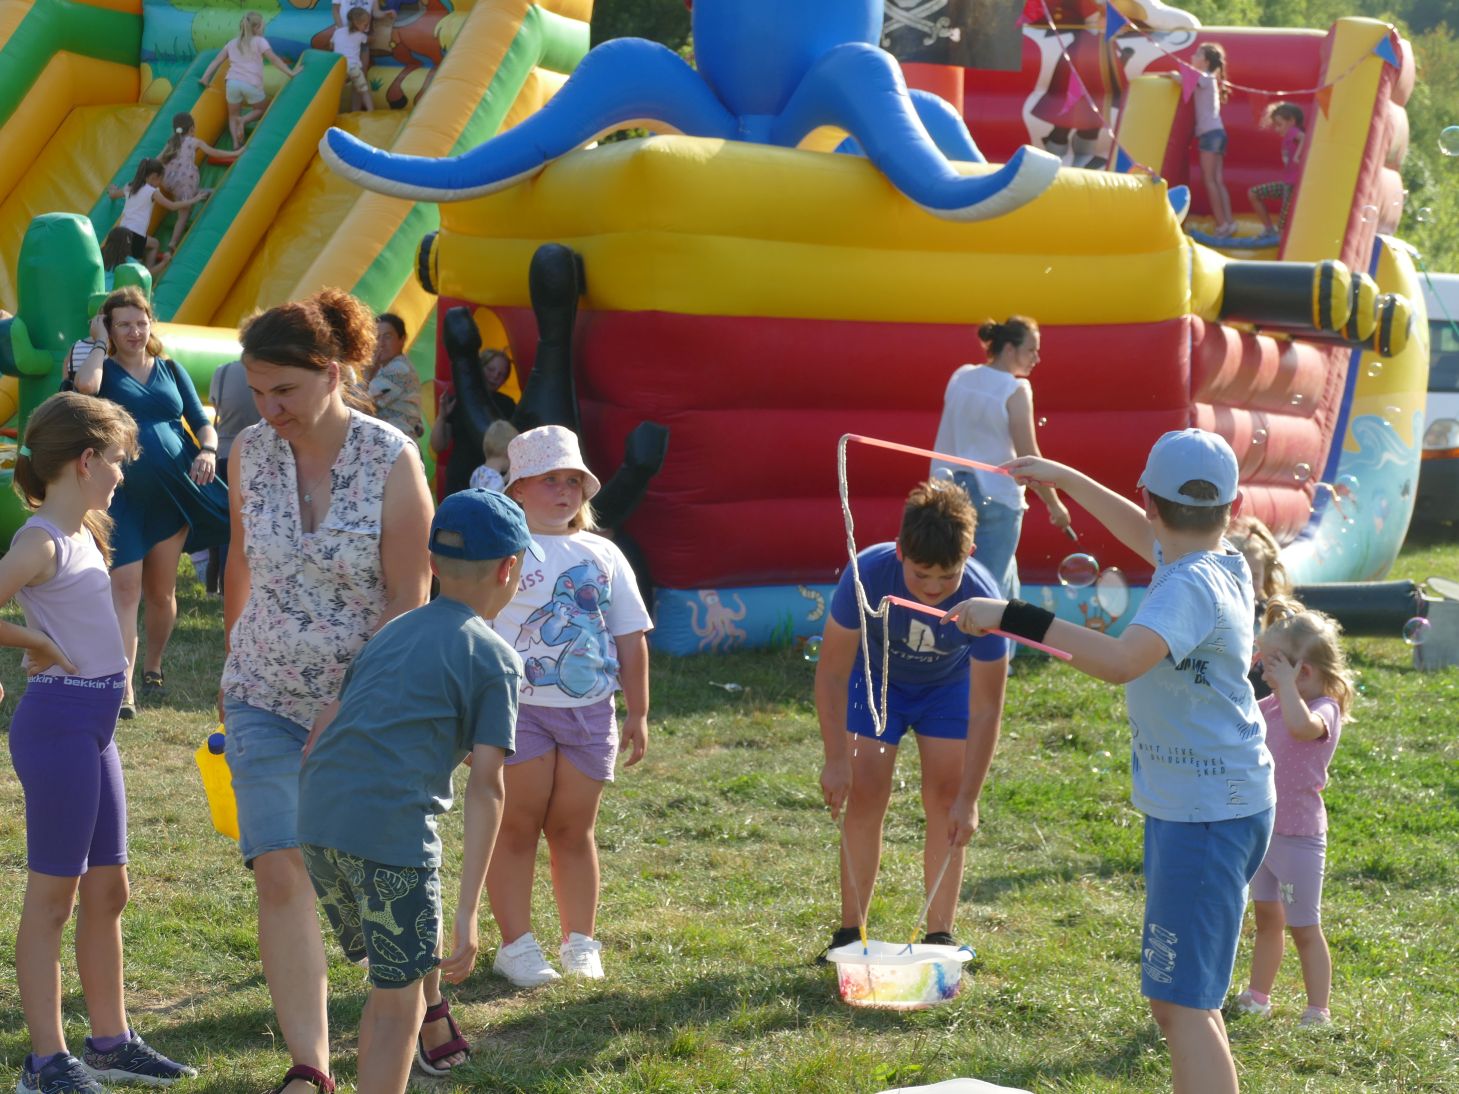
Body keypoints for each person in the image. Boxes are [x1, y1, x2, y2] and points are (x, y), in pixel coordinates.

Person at [944, 428, 1275, 1094]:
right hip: (1210, 805)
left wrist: (1010, 614)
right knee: (1180, 1001)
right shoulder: (1222, 559)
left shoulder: (1188, 586)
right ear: (1231, 506)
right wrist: (1064, 477)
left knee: (1183, 1006)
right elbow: (1150, 532)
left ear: (1149, 498)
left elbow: (1123, 661)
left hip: (1205, 816)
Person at [219, 289, 452, 1093]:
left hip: (368, 699)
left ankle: (425, 997)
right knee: (280, 866)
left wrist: (346, 700)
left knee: (374, 869)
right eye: (257, 390)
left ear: (331, 372)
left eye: (283, 389)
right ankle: (310, 1069)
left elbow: (409, 595)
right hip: (262, 693)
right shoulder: (250, 452)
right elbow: (241, 559)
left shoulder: (390, 457)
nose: (268, 408)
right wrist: (233, 661)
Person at [299, 489, 541, 1085]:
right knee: (396, 1006)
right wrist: (467, 912)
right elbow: (487, 787)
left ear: (432, 563)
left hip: (318, 825)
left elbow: (338, 721)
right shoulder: (495, 658)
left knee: (393, 979)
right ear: (509, 569)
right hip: (390, 839)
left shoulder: (392, 630)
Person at [4, 393, 196, 1091]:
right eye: (117, 460)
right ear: (85, 460)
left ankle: (110, 1043)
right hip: (57, 725)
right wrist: (35, 643)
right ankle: (45, 1062)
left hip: (95, 728)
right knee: (53, 898)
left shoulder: (84, 528)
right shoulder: (40, 541)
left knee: (109, 889)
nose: (122, 473)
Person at [815, 479, 1010, 959]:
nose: (934, 588)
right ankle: (850, 934)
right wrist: (836, 759)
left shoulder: (985, 598)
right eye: (921, 574)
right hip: (876, 683)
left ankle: (939, 936)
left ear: (970, 554)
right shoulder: (867, 573)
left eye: (948, 576)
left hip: (947, 691)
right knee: (865, 791)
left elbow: (987, 708)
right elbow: (833, 673)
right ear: (901, 551)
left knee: (946, 800)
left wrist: (969, 799)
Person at [487, 425, 651, 985]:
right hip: (518, 710)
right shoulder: (501, 550)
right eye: (549, 479)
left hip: (591, 714)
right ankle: (516, 947)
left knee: (573, 830)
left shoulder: (604, 552)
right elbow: (473, 629)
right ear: (517, 489)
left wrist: (639, 711)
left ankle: (580, 942)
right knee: (517, 826)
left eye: (573, 481)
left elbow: (630, 634)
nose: (564, 491)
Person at [72, 287, 228, 718]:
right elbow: (84, 388)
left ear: (150, 325)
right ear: (108, 328)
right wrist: (99, 343)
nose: (134, 332)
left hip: (171, 494)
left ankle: (153, 667)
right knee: (125, 588)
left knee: (161, 592)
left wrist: (207, 450)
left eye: (140, 323)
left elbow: (201, 423)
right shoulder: (102, 370)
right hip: (119, 497)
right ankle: (123, 689)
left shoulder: (171, 369)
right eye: (123, 324)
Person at [1232, 596, 1353, 1028]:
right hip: (1265, 834)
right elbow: (1241, 719)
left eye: (1275, 665)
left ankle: (1318, 1009)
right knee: (1267, 919)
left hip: (1299, 839)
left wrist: (1283, 687)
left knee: (1304, 927)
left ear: (1305, 671)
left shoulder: (1323, 709)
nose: (1266, 673)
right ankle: (1258, 995)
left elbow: (1302, 729)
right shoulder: (1275, 703)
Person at [931, 316, 1072, 599]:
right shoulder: (1016, 389)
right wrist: (1055, 505)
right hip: (996, 498)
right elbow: (1028, 455)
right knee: (989, 594)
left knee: (993, 582)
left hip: (949, 493)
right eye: (1031, 350)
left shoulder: (961, 376)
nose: (1037, 358)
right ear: (1009, 349)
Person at [203, 358, 263, 593]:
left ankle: (214, 584)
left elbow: (216, 404)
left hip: (223, 452)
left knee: (223, 522)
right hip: (255, 454)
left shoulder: (223, 370)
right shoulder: (267, 372)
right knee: (241, 527)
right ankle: (231, 587)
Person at [200, 11, 299, 146]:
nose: (263, 29)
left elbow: (217, 60)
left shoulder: (232, 43)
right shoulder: (260, 41)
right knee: (262, 109)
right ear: (256, 28)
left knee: (233, 115)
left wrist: (205, 77)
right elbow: (274, 59)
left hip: (232, 83)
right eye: (262, 27)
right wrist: (290, 73)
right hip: (251, 83)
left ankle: (235, 144)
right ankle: (244, 120)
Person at [430, 347, 516, 495]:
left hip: (491, 482)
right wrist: (442, 416)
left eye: (501, 374)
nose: (495, 376)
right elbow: (438, 446)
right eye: (490, 369)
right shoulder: (460, 399)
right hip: (459, 478)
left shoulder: (508, 405)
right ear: (479, 368)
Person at [1227, 515, 1295, 700]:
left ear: (1264, 576)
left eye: (1254, 576)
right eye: (1236, 575)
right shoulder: (1215, 613)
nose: (1246, 583)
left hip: (1265, 698)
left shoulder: (1271, 615)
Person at [105, 159, 211, 273]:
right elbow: (172, 206)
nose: (160, 183)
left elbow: (113, 195)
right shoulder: (152, 191)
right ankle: (148, 275)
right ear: (154, 176)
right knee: (142, 261)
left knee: (153, 244)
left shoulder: (130, 187)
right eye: (160, 179)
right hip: (135, 236)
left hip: (120, 233)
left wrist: (112, 190)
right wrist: (194, 200)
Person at [158, 111, 241, 251]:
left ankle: (204, 194)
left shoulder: (171, 142)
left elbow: (158, 159)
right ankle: (172, 242)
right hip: (185, 181)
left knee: (185, 195)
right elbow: (215, 153)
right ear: (192, 129)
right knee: (184, 213)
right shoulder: (195, 142)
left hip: (168, 181)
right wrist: (236, 153)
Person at [1192, 43, 1235, 238]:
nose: (1193, 56)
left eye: (1197, 54)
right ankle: (1229, 222)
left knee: (1209, 180)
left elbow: (1180, 79)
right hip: (1218, 132)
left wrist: (1169, 74)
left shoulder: (1204, 76)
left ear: (1206, 62)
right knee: (1217, 180)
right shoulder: (1210, 78)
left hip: (1209, 134)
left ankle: (1221, 225)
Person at [1248, 103, 1305, 237]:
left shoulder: (1292, 131)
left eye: (1279, 124)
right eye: (1275, 125)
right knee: (1254, 193)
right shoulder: (1289, 136)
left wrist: (1297, 156)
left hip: (1293, 186)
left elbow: (1304, 137)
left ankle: (1277, 236)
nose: (1276, 129)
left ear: (1291, 121)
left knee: (1283, 227)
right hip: (1286, 184)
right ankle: (1269, 229)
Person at [366, 312, 423, 438]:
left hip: (394, 445)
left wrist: (368, 374)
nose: (381, 343)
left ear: (402, 339)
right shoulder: (383, 368)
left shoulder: (399, 369)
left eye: (387, 337)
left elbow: (360, 404)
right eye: (377, 337)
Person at [331, 6, 373, 113]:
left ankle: (334, 112)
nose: (366, 27)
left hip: (339, 68)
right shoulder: (360, 35)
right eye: (365, 25)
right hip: (353, 67)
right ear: (357, 23)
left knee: (336, 92)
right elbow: (370, 40)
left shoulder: (338, 32)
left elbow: (331, 45)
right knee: (363, 90)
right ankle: (371, 111)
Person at [470, 419, 517, 492]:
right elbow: (492, 495)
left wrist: (504, 479)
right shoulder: (497, 479)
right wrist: (506, 480)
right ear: (507, 452)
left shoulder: (477, 472)